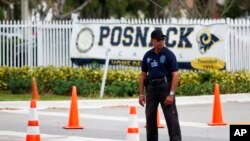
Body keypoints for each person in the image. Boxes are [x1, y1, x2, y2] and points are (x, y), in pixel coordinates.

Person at [138, 29, 182, 141]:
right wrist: (141, 94)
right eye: (158, 39)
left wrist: (171, 94)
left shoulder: (168, 54)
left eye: (163, 39)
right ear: (152, 40)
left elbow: (175, 75)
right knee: (150, 118)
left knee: (171, 119)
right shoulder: (148, 55)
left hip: (165, 87)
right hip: (152, 88)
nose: (161, 41)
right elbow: (143, 75)